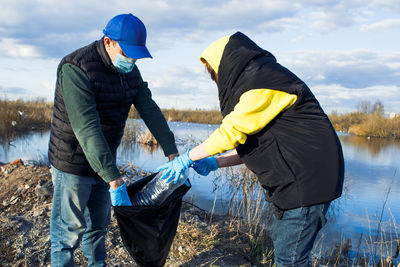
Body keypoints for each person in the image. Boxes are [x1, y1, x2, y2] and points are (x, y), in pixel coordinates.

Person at [156, 32, 344, 266]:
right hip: (298, 184)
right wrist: (216, 162)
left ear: (227, 65)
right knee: (288, 254)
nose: (216, 79)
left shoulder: (263, 83)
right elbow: (256, 145)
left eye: (215, 73)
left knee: (290, 260)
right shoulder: (260, 82)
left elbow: (230, 133)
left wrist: (185, 158)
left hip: (305, 185)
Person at [48, 13, 178, 266]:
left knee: (98, 227)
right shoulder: (75, 68)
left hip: (104, 159)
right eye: (126, 52)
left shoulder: (130, 72)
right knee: (67, 234)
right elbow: (87, 129)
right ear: (108, 42)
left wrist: (171, 150)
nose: (131, 59)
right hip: (72, 161)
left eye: (135, 54)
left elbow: (148, 108)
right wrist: (114, 178)